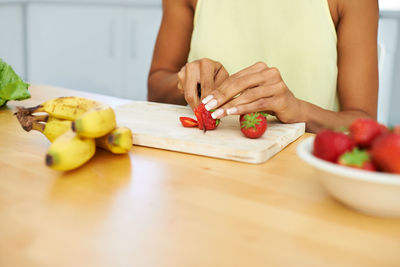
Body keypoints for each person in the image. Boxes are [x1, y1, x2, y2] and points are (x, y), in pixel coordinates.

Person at [147, 0, 379, 133]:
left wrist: (299, 111)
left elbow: (364, 123)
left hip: (306, 185)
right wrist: (186, 82)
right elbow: (156, 87)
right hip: (203, 173)